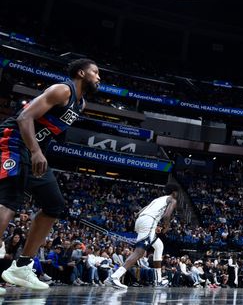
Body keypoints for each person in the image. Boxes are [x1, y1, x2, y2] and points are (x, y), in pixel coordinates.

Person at [0, 58, 101, 292]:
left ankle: (22, 267)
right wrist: (35, 152)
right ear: (81, 73)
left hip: (34, 149)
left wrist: (38, 153)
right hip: (13, 140)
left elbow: (46, 133)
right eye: (95, 73)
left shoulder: (80, 104)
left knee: (54, 205)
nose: (99, 77)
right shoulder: (61, 90)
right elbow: (24, 118)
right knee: (8, 201)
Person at [105, 185, 179, 289]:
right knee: (139, 252)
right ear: (174, 192)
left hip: (141, 220)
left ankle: (158, 280)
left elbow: (139, 213)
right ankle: (114, 277)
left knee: (159, 246)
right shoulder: (172, 199)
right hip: (149, 221)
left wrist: (153, 225)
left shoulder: (158, 200)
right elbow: (167, 216)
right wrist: (165, 227)